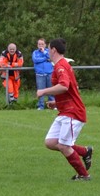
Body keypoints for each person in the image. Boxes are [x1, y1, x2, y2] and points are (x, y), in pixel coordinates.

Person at [36, 38, 92, 181]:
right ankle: (84, 151)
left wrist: (44, 91)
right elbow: (71, 90)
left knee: (64, 146)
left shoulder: (61, 66)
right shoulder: (60, 65)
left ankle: (84, 175)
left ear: (54, 50)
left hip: (73, 112)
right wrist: (56, 103)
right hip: (65, 111)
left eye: (48, 49)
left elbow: (64, 86)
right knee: (50, 142)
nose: (47, 51)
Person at [32, 38, 54, 110]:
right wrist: (45, 59)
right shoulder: (35, 52)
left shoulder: (48, 51)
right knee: (40, 91)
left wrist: (44, 52)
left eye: (42, 44)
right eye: (39, 44)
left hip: (49, 73)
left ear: (45, 45)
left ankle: (52, 105)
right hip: (40, 74)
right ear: (37, 45)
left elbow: (51, 58)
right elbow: (35, 60)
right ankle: (40, 106)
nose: (40, 45)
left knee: (51, 90)